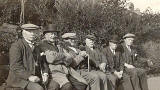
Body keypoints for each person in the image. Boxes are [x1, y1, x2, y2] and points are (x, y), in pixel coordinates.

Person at [6, 24, 59, 90]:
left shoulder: (36, 46)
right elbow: (15, 66)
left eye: (34, 32)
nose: (32, 34)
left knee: (55, 85)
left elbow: (43, 62)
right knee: (38, 89)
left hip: (36, 77)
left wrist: (45, 74)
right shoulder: (17, 46)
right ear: (23, 32)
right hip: (20, 79)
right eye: (29, 31)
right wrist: (29, 76)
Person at [37, 24, 87, 90]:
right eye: (51, 34)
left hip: (67, 70)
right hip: (54, 71)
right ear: (45, 35)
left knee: (82, 84)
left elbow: (70, 59)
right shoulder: (42, 45)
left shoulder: (59, 45)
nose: (53, 36)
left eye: (55, 34)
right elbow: (51, 58)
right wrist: (63, 56)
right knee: (67, 86)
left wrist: (58, 57)